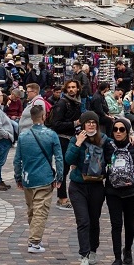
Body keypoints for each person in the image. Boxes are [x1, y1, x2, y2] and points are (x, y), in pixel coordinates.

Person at [13, 102, 63, 255]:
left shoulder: (23, 136)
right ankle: (34, 241)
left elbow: (17, 160)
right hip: (45, 177)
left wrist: (18, 177)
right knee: (41, 210)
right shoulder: (51, 134)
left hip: (28, 178)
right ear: (43, 116)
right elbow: (59, 158)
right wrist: (59, 176)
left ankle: (36, 237)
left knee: (32, 210)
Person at [104, 118, 134, 265]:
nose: (118, 132)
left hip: (132, 193)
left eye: (121, 129)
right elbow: (106, 163)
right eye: (115, 129)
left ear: (127, 131)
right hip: (113, 192)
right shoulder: (108, 146)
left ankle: (127, 250)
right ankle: (117, 257)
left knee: (130, 224)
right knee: (116, 225)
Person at [66, 112, 109, 265]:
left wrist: (131, 136)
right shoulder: (75, 139)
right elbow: (68, 160)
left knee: (94, 221)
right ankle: (84, 254)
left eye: (94, 122)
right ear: (82, 124)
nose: (91, 125)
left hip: (96, 186)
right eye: (88, 122)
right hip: (78, 186)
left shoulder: (104, 140)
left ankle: (92, 251)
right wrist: (78, 143)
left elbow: (118, 145)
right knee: (83, 221)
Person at [50, 79, 85, 209]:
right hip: (62, 139)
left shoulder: (76, 102)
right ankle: (62, 197)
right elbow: (56, 124)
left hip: (73, 138)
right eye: (69, 87)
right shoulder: (63, 103)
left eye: (73, 87)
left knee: (76, 166)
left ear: (78, 89)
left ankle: (76, 195)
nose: (71, 89)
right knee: (63, 169)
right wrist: (74, 124)